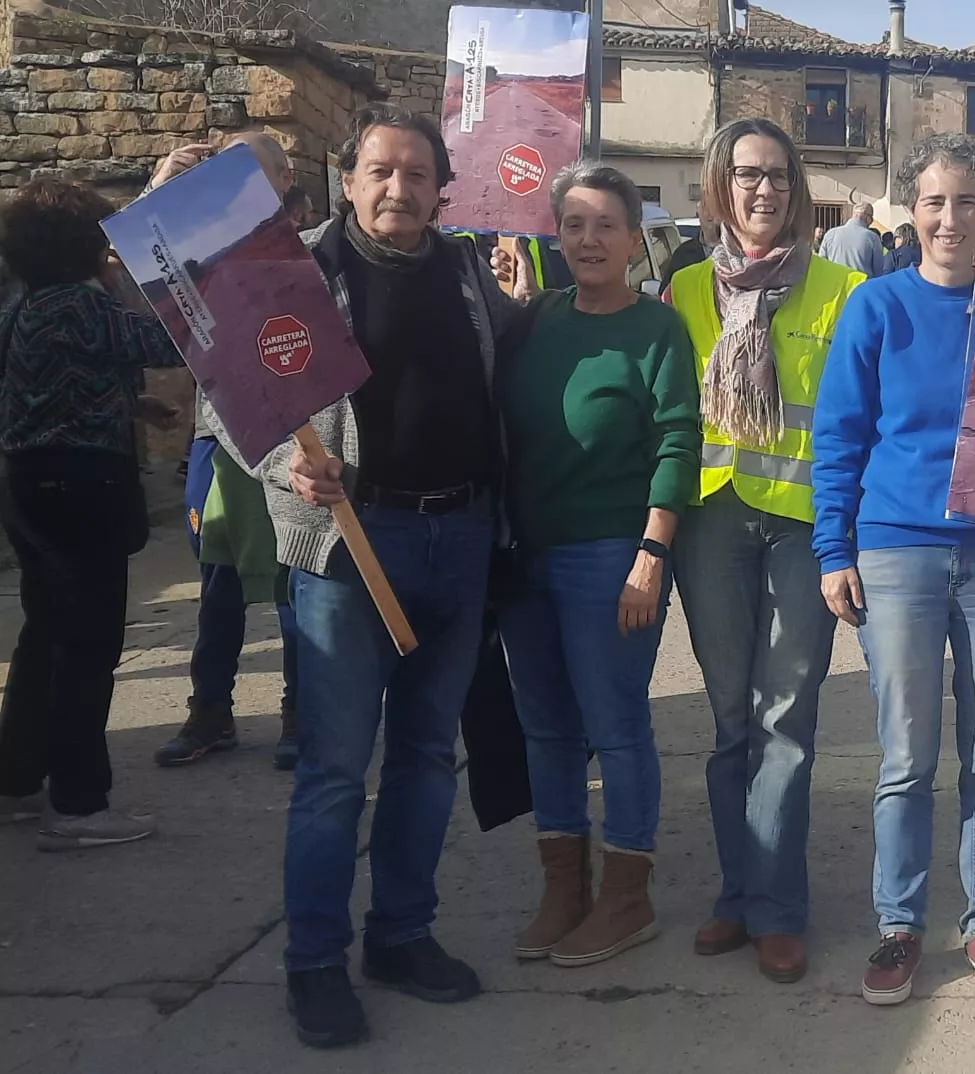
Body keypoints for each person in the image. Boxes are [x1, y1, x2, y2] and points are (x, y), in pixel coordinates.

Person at [271, 103, 531, 1049]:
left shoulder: (465, 270)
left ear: (439, 188)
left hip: (458, 537)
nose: (398, 188)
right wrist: (287, 468)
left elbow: (516, 358)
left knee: (426, 758)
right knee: (337, 771)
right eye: (380, 171)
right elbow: (236, 402)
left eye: (417, 174)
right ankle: (311, 964)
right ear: (349, 180)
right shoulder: (296, 272)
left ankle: (402, 937)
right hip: (349, 546)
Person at [813, 133, 975, 1007]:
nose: (949, 218)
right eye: (932, 202)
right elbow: (840, 435)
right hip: (897, 549)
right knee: (907, 755)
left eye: (965, 202)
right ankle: (899, 926)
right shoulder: (876, 307)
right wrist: (832, 550)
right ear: (907, 212)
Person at [666, 117, 864, 985]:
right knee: (730, 721)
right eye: (747, 174)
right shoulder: (680, 290)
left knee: (787, 715)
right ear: (720, 185)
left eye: (779, 175)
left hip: (800, 525)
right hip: (709, 521)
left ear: (798, 191)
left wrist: (843, 537)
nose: (763, 190)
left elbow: (856, 422)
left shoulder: (841, 289)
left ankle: (778, 908)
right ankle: (736, 893)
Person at [497, 163, 701, 969]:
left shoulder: (657, 330)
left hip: (610, 555)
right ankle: (563, 886)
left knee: (615, 728)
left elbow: (678, 442)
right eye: (574, 224)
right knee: (545, 727)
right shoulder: (534, 320)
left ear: (631, 238)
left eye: (604, 225)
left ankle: (626, 894)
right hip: (528, 553)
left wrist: (652, 553)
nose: (588, 239)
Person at [0, 179, 184, 850]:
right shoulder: (83, 302)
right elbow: (168, 341)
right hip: (82, 484)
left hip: (29, 480)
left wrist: (132, 406)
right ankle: (78, 805)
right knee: (88, 645)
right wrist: (131, 276)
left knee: (45, 632)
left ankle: (18, 780)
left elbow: (49, 383)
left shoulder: (29, 306)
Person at [146, 132, 307, 771]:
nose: (230, 179)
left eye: (246, 167)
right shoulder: (198, 246)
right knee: (217, 584)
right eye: (222, 167)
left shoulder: (310, 248)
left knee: (297, 578)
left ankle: (304, 710)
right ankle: (210, 711)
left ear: (284, 175)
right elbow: (145, 295)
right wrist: (161, 193)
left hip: (295, 431)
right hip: (222, 435)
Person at [821, 201, 887, 278]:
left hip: (835, 285)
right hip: (861, 287)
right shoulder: (872, 238)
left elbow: (822, 263)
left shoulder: (830, 234)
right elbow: (878, 271)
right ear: (867, 218)